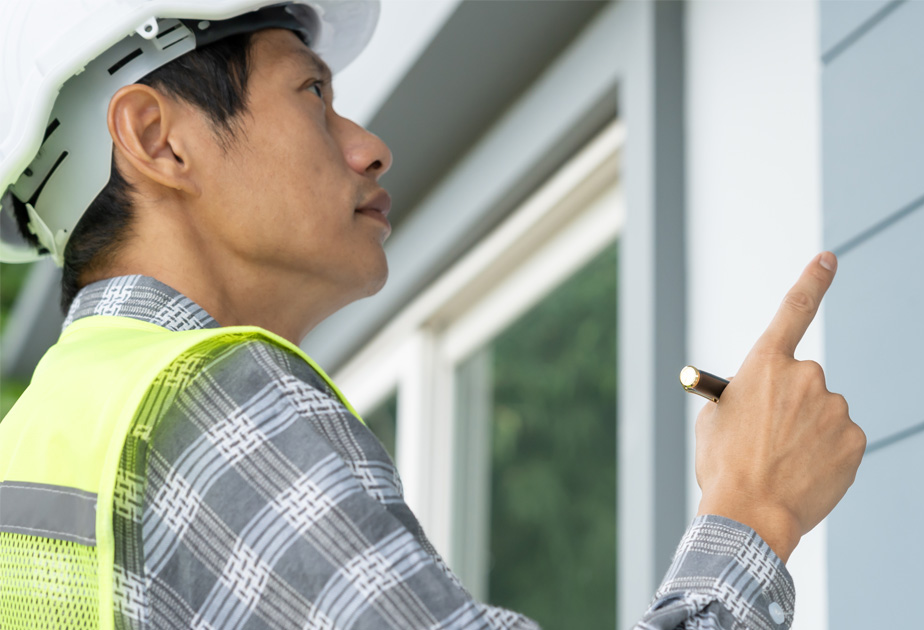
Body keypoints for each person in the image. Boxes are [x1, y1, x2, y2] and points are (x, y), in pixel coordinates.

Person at [0, 2, 865, 628]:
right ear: (158, 139)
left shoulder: (45, 442)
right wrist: (757, 507)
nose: (368, 145)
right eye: (311, 93)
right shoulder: (204, 400)